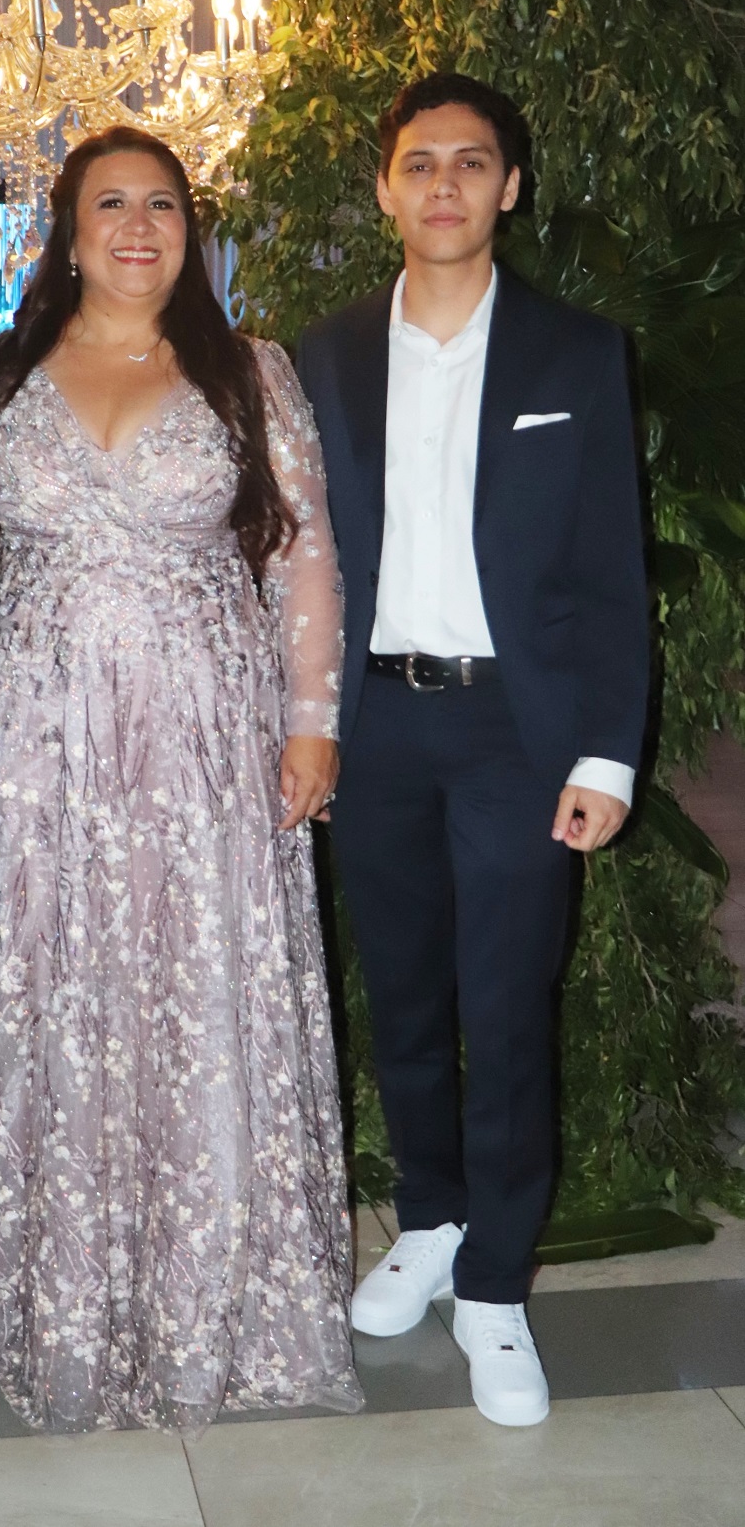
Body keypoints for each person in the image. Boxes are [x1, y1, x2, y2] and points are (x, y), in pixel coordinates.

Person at [0, 126, 362, 1435]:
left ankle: (207, 1290)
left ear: (189, 230)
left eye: (160, 204)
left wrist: (311, 723)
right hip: (40, 739)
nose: (135, 225)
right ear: (66, 231)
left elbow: (303, 555)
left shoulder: (249, 370)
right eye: (108, 202)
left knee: (196, 978)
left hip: (201, 734)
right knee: (54, 977)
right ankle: (52, 1286)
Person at [297, 73, 649, 1428]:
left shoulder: (576, 353)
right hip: (377, 723)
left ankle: (495, 1280)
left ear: (509, 185)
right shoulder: (322, 356)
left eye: (470, 161)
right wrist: (305, 724)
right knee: (400, 997)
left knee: (503, 1009)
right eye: (418, 161)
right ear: (383, 187)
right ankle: (432, 1219)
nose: (442, 183)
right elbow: (294, 557)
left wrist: (604, 754)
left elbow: (610, 569)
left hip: (516, 731)